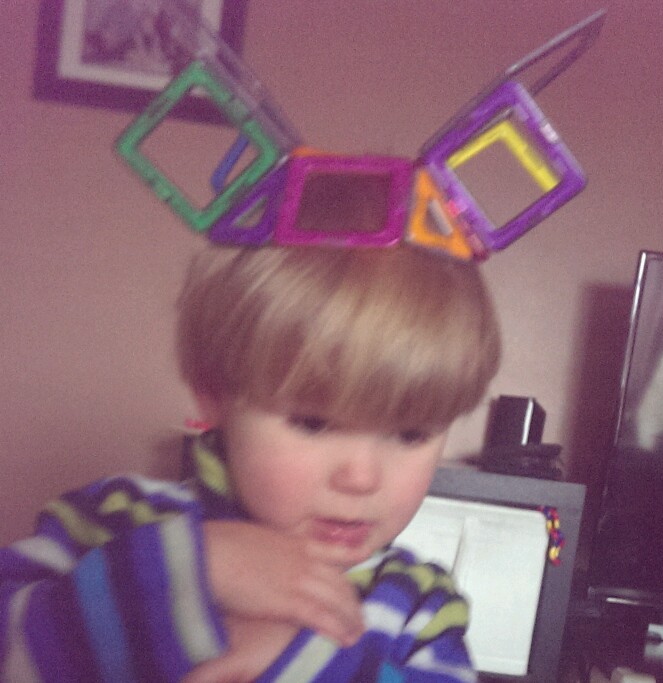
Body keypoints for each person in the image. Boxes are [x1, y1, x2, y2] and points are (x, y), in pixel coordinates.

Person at [0, 190, 500, 681]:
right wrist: (193, 567)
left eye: (411, 434)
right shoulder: (117, 519)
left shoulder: (421, 606)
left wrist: (307, 667)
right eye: (312, 423)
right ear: (214, 395)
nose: (362, 478)